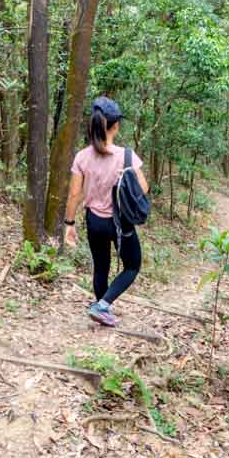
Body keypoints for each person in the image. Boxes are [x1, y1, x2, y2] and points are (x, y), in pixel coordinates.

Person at [64, 96, 149, 327]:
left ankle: (101, 307)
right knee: (132, 265)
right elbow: (143, 188)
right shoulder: (127, 156)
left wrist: (69, 224)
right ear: (115, 125)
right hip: (121, 223)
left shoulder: (82, 157)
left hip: (94, 221)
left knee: (101, 267)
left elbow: (74, 194)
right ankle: (103, 306)